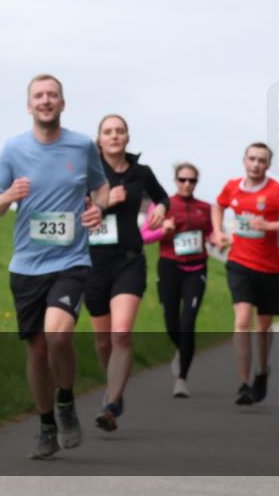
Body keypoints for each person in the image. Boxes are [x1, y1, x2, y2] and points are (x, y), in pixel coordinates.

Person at [0, 74, 109, 460]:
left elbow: (101, 187)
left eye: (52, 94)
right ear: (29, 106)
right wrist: (10, 194)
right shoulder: (13, 150)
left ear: (62, 103)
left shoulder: (82, 144)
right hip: (26, 265)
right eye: (38, 95)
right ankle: (46, 424)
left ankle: (66, 400)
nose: (45, 100)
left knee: (58, 336)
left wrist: (98, 208)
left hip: (71, 261)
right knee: (37, 351)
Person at [211, 143, 279, 406]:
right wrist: (218, 232)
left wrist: (269, 225)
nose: (256, 164)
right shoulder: (232, 187)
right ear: (244, 160)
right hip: (239, 264)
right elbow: (218, 206)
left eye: (262, 161)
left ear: (268, 165)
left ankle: (263, 370)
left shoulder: (277, 192)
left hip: (270, 269)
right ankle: (243, 384)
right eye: (252, 159)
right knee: (242, 321)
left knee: (263, 326)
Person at [86, 115, 169, 431]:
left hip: (129, 260)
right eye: (108, 131)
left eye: (119, 131)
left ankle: (110, 403)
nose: (114, 136)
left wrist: (160, 208)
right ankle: (114, 388)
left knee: (121, 334)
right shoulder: (88, 170)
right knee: (103, 341)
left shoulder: (141, 173)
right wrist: (106, 201)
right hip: (93, 261)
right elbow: (77, 209)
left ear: (127, 136)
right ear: (100, 138)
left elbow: (162, 197)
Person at [144, 163, 214, 398]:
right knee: (171, 322)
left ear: (196, 182)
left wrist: (218, 239)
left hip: (196, 269)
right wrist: (162, 230)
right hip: (169, 268)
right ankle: (180, 349)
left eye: (192, 180)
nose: (187, 184)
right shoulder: (163, 205)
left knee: (188, 323)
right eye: (182, 179)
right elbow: (144, 236)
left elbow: (213, 233)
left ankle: (181, 379)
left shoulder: (205, 208)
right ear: (175, 180)